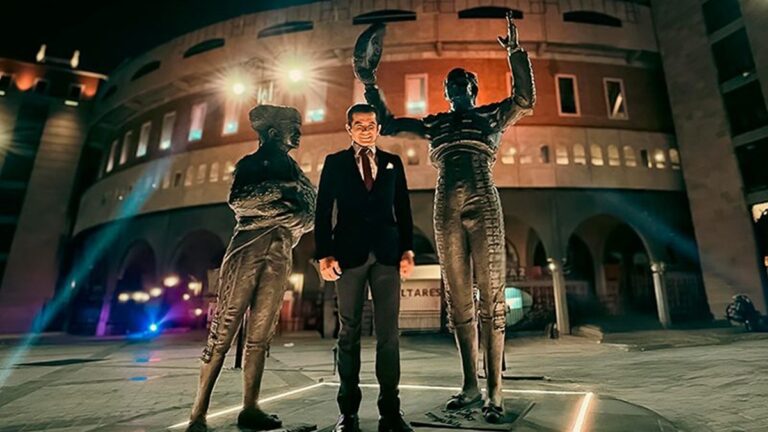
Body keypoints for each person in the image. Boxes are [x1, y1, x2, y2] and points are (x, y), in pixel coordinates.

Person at [353, 12, 536, 423]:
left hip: (482, 199)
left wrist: (515, 54)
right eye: (449, 86)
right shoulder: (436, 124)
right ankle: (470, 385)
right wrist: (369, 81)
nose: (453, 90)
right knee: (458, 302)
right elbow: (389, 123)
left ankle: (494, 392)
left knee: (491, 299)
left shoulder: (490, 116)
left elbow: (524, 100)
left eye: (460, 85)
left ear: (472, 88)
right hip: (445, 203)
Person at [186, 105, 316, 432]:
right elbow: (240, 200)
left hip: (281, 251)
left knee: (262, 334)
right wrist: (284, 199)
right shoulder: (251, 163)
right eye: (293, 127)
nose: (299, 132)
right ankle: (198, 414)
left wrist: (277, 210)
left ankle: (250, 407)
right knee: (223, 331)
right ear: (273, 133)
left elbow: (309, 215)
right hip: (247, 249)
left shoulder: (297, 170)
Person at [315, 103, 415, 432]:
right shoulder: (335, 163)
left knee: (389, 335)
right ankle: (348, 413)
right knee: (349, 333)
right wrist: (323, 254)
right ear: (349, 128)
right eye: (359, 124)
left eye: (371, 123)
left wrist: (407, 250)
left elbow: (403, 208)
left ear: (377, 127)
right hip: (349, 257)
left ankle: (390, 412)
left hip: (386, 256)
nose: (366, 129)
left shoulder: (392, 163)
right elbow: (323, 210)